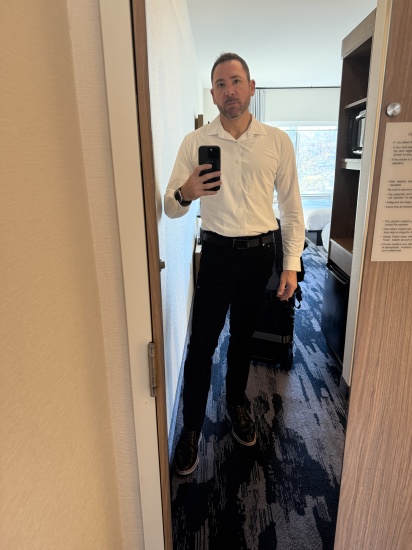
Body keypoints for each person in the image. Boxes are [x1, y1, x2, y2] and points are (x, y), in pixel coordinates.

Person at [164, 52, 305, 475]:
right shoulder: (195, 143)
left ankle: (236, 400)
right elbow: (170, 207)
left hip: (261, 254)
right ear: (213, 94)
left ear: (251, 87)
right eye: (221, 84)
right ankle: (191, 427)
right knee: (202, 344)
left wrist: (291, 264)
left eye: (236, 81)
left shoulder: (277, 141)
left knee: (244, 336)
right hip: (217, 254)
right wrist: (186, 192)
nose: (230, 91)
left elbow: (292, 208)